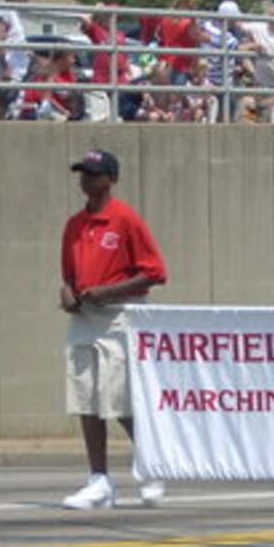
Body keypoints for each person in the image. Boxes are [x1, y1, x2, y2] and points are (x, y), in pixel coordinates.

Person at [60, 150, 169, 510]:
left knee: (119, 401)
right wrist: (68, 293)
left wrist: (109, 291)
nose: (86, 181)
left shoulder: (125, 220)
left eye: (93, 174)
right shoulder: (75, 225)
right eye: (82, 174)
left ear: (110, 179)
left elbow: (154, 272)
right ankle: (99, 480)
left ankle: (152, 466)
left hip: (120, 316)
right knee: (86, 399)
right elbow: (69, 276)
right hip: (85, 318)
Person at [0, 0, 33, 119]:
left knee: (11, 106)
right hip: (9, 69)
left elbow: (14, 39)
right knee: (2, 106)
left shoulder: (14, 14)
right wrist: (5, 66)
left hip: (18, 69)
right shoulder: (5, 12)